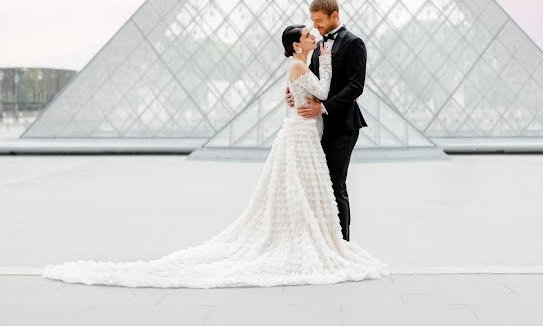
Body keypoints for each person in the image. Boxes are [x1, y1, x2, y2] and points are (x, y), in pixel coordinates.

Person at [41, 21, 388, 288]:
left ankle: (326, 240)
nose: (314, 33)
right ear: (297, 44)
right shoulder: (302, 65)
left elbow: (316, 92)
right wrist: (322, 65)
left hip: (305, 132)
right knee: (310, 190)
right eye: (308, 32)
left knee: (312, 190)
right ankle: (324, 242)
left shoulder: (304, 63)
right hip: (302, 134)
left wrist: (307, 88)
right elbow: (322, 89)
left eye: (316, 26)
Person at [286, 0, 367, 242]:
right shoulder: (318, 47)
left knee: (335, 184)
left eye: (319, 21)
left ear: (335, 15)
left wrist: (323, 108)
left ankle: (343, 245)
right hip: (317, 128)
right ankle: (325, 241)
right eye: (313, 21)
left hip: (343, 125)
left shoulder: (354, 43)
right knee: (321, 185)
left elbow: (355, 86)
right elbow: (310, 81)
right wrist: (293, 95)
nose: (316, 26)